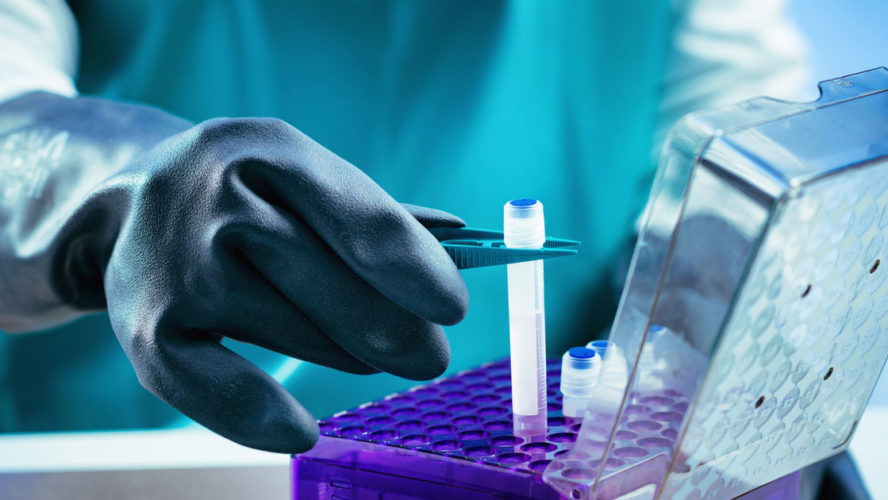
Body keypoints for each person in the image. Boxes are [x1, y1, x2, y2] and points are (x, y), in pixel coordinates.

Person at [0, 0, 808, 453]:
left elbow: (737, 161)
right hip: (115, 464)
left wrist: (750, 352)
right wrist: (97, 191)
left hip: (525, 469)